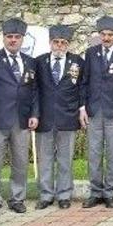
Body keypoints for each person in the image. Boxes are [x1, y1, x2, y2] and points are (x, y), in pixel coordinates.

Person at [0, 18, 39, 218]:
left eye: (17, 37)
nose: (13, 40)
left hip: (21, 119)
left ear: (22, 39)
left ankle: (17, 198)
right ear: (4, 38)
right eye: (9, 37)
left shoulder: (30, 62)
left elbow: (35, 91)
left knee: (20, 161)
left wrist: (35, 114)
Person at [81, 16, 113, 209]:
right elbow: (84, 82)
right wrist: (82, 107)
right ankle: (95, 192)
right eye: (103, 34)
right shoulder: (91, 53)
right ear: (99, 35)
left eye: (110, 35)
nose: (106, 38)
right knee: (94, 153)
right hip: (94, 111)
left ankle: (110, 192)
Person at [34, 25, 84, 210]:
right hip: (44, 117)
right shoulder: (39, 62)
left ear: (68, 45)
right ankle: (46, 195)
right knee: (45, 158)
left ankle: (64, 195)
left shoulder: (77, 62)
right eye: (56, 42)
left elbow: (82, 88)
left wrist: (82, 109)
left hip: (68, 117)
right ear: (50, 43)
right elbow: (34, 90)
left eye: (64, 43)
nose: (60, 46)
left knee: (65, 158)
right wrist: (34, 114)